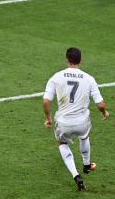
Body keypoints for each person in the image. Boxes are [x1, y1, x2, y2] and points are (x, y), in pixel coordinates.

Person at [42, 47, 109, 191]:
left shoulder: (56, 77)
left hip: (64, 122)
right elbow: (100, 104)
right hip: (82, 122)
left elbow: (46, 101)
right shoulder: (89, 78)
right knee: (84, 136)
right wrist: (104, 112)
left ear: (67, 60)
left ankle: (76, 176)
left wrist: (48, 118)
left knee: (62, 143)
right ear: (80, 60)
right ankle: (86, 164)